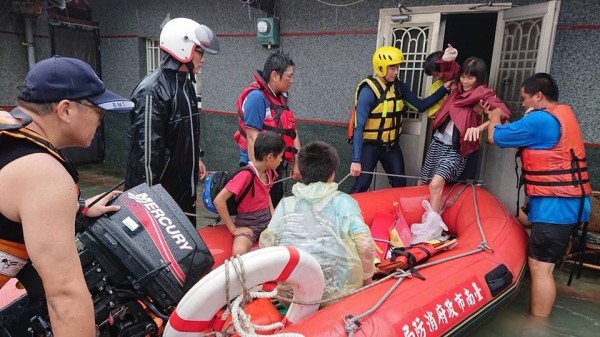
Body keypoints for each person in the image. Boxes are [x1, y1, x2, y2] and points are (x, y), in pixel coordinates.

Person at [0, 56, 132, 336]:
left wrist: (78, 207)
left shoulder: (8, 131)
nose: (100, 120)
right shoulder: (45, 174)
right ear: (66, 110)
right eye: (98, 111)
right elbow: (64, 297)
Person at [485, 73, 591, 318]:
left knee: (541, 267)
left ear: (539, 96)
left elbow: (495, 136)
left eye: (524, 99)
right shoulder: (563, 114)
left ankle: (537, 325)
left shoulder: (540, 120)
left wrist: (493, 117)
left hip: (557, 206)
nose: (522, 105)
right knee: (522, 220)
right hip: (566, 203)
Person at [125, 18, 220, 224]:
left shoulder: (185, 84)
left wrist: (196, 158)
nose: (202, 59)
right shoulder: (152, 90)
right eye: (199, 52)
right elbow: (147, 156)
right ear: (183, 47)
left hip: (183, 189)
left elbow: (185, 132)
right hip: (160, 197)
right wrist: (148, 204)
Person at [260, 141, 375, 304]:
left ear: (301, 171)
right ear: (332, 174)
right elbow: (364, 245)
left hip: (291, 296)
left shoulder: (287, 204)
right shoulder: (343, 203)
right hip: (337, 296)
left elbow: (267, 243)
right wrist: (367, 279)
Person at [349, 46, 452, 192]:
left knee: (400, 183)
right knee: (362, 184)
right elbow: (358, 128)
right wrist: (356, 160)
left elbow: (420, 106)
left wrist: (444, 89)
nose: (396, 72)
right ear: (381, 67)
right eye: (392, 68)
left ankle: (396, 211)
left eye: (397, 67)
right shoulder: (368, 91)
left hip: (391, 146)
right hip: (370, 145)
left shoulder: (398, 86)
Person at [419, 57, 510, 214]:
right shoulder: (457, 88)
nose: (465, 81)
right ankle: (418, 214)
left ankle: (432, 226)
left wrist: (480, 127)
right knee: (422, 181)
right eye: (463, 76)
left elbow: (503, 113)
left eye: (470, 77)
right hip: (438, 141)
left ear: (479, 78)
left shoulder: (484, 94)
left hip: (457, 148)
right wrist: (446, 58)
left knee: (436, 183)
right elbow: (450, 70)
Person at [233, 50, 301, 207]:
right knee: (259, 214)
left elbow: (292, 131)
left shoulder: (280, 99)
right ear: (275, 75)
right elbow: (252, 138)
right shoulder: (257, 98)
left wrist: (296, 161)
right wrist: (258, 176)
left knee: (274, 209)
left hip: (275, 166)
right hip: (260, 169)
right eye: (289, 76)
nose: (291, 81)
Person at [214, 131, 285, 256]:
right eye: (280, 156)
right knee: (238, 252)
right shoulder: (245, 175)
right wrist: (234, 229)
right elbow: (219, 200)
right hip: (249, 225)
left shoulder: (268, 172)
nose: (281, 160)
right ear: (269, 157)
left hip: (267, 222)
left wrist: (273, 212)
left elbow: (265, 191)